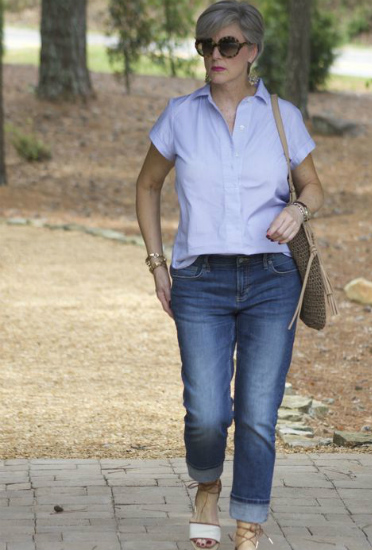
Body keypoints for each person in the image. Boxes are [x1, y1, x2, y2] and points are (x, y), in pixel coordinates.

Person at [136, 1, 324, 548]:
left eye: (228, 45)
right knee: (207, 412)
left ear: (252, 51)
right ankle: (207, 485)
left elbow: (313, 187)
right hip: (199, 282)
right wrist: (156, 262)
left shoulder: (282, 116)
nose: (215, 55)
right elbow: (147, 186)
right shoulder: (180, 115)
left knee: (259, 412)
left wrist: (298, 211)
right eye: (207, 45)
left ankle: (249, 522)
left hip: (272, 279)